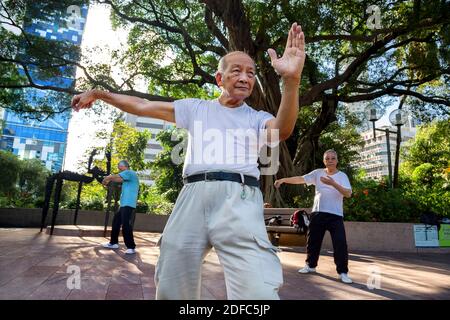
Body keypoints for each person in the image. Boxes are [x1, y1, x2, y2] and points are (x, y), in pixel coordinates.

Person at [71, 22, 306, 299]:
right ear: (220, 79)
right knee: (172, 281)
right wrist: (99, 94)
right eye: (237, 71)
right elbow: (143, 106)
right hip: (192, 195)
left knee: (256, 291)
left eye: (251, 73)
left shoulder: (256, 118)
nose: (245, 77)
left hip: (238, 199)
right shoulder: (195, 108)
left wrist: (291, 82)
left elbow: (282, 129)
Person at [274, 149, 353, 284]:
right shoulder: (317, 173)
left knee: (340, 244)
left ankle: (343, 272)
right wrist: (283, 180)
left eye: (333, 158)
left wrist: (332, 183)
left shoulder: (342, 176)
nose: (330, 161)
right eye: (327, 158)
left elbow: (348, 194)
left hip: (335, 215)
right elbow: (301, 179)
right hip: (318, 213)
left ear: (337, 160)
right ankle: (310, 266)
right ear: (324, 161)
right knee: (313, 242)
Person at [102, 160, 140, 255]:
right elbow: (118, 179)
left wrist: (107, 177)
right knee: (116, 222)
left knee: (125, 224)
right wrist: (109, 180)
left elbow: (115, 177)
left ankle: (131, 247)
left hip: (128, 203)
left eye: (119, 167)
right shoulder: (126, 176)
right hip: (124, 204)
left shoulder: (130, 172)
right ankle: (113, 243)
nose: (119, 169)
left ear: (124, 166)